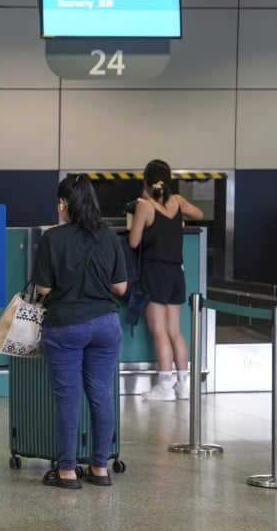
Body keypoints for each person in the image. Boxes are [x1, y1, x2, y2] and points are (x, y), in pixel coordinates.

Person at [32, 175, 127, 489]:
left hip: (65, 326)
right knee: (101, 395)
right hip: (106, 324)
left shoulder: (53, 238)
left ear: (63, 204)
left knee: (68, 399)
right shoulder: (110, 237)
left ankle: (68, 471)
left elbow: (43, 287)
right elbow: (121, 287)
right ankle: (100, 468)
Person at [128, 159, 204, 401]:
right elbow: (199, 213)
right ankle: (184, 385)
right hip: (176, 272)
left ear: (146, 182)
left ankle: (164, 386)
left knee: (159, 331)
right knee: (174, 331)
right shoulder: (178, 201)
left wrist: (144, 200)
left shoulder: (145, 206)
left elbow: (133, 241)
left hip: (155, 272)